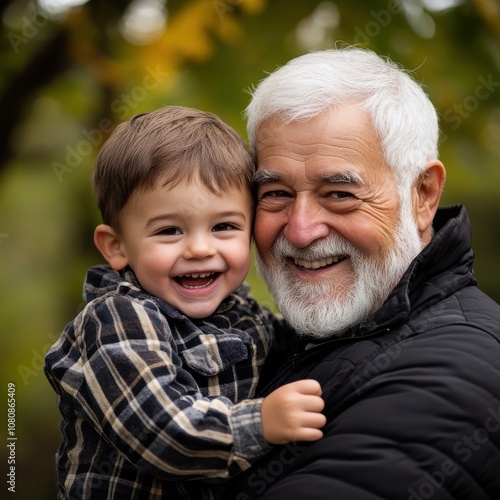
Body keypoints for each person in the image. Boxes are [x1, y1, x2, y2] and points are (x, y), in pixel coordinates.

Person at [224, 47, 500, 499]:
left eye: (338, 194)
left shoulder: (452, 374)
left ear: (423, 196)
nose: (300, 230)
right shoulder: (260, 341)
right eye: (275, 193)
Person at [43, 105, 326, 500]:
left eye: (224, 226)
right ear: (117, 246)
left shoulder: (244, 315)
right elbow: (160, 432)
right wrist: (259, 422)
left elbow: (310, 347)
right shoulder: (117, 321)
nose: (199, 248)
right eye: (169, 230)